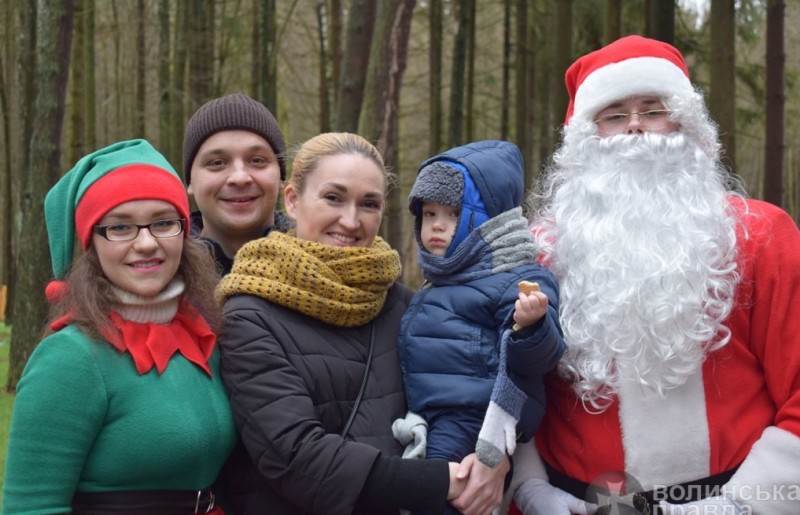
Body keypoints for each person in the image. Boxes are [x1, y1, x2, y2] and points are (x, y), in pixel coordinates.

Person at [512, 35, 800, 515]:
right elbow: (510, 378)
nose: (635, 127)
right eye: (613, 115)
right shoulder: (542, 251)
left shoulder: (763, 236)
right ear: (587, 138)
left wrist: (743, 505)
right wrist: (529, 487)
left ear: (686, 122)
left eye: (654, 109)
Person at [215, 132, 510, 515]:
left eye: (368, 204)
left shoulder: (409, 307)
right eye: (333, 197)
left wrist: (493, 459)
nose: (351, 221)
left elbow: (465, 399)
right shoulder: (248, 316)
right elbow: (295, 456)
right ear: (292, 200)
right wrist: (442, 482)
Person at [1, 139, 237, 514]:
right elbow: (30, 507)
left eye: (163, 222)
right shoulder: (71, 357)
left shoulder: (203, 335)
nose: (146, 243)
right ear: (92, 242)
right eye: (120, 227)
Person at [395, 140, 565, 515]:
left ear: (488, 220)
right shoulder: (443, 279)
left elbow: (542, 359)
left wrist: (531, 324)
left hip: (474, 419)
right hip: (430, 415)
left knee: (443, 499)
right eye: (429, 213)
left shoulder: (516, 277)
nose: (437, 225)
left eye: (453, 214)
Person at [183, 93, 292, 274]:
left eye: (257, 160)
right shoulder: (162, 273)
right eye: (217, 163)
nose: (239, 178)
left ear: (281, 175)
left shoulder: (324, 264)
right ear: (190, 181)